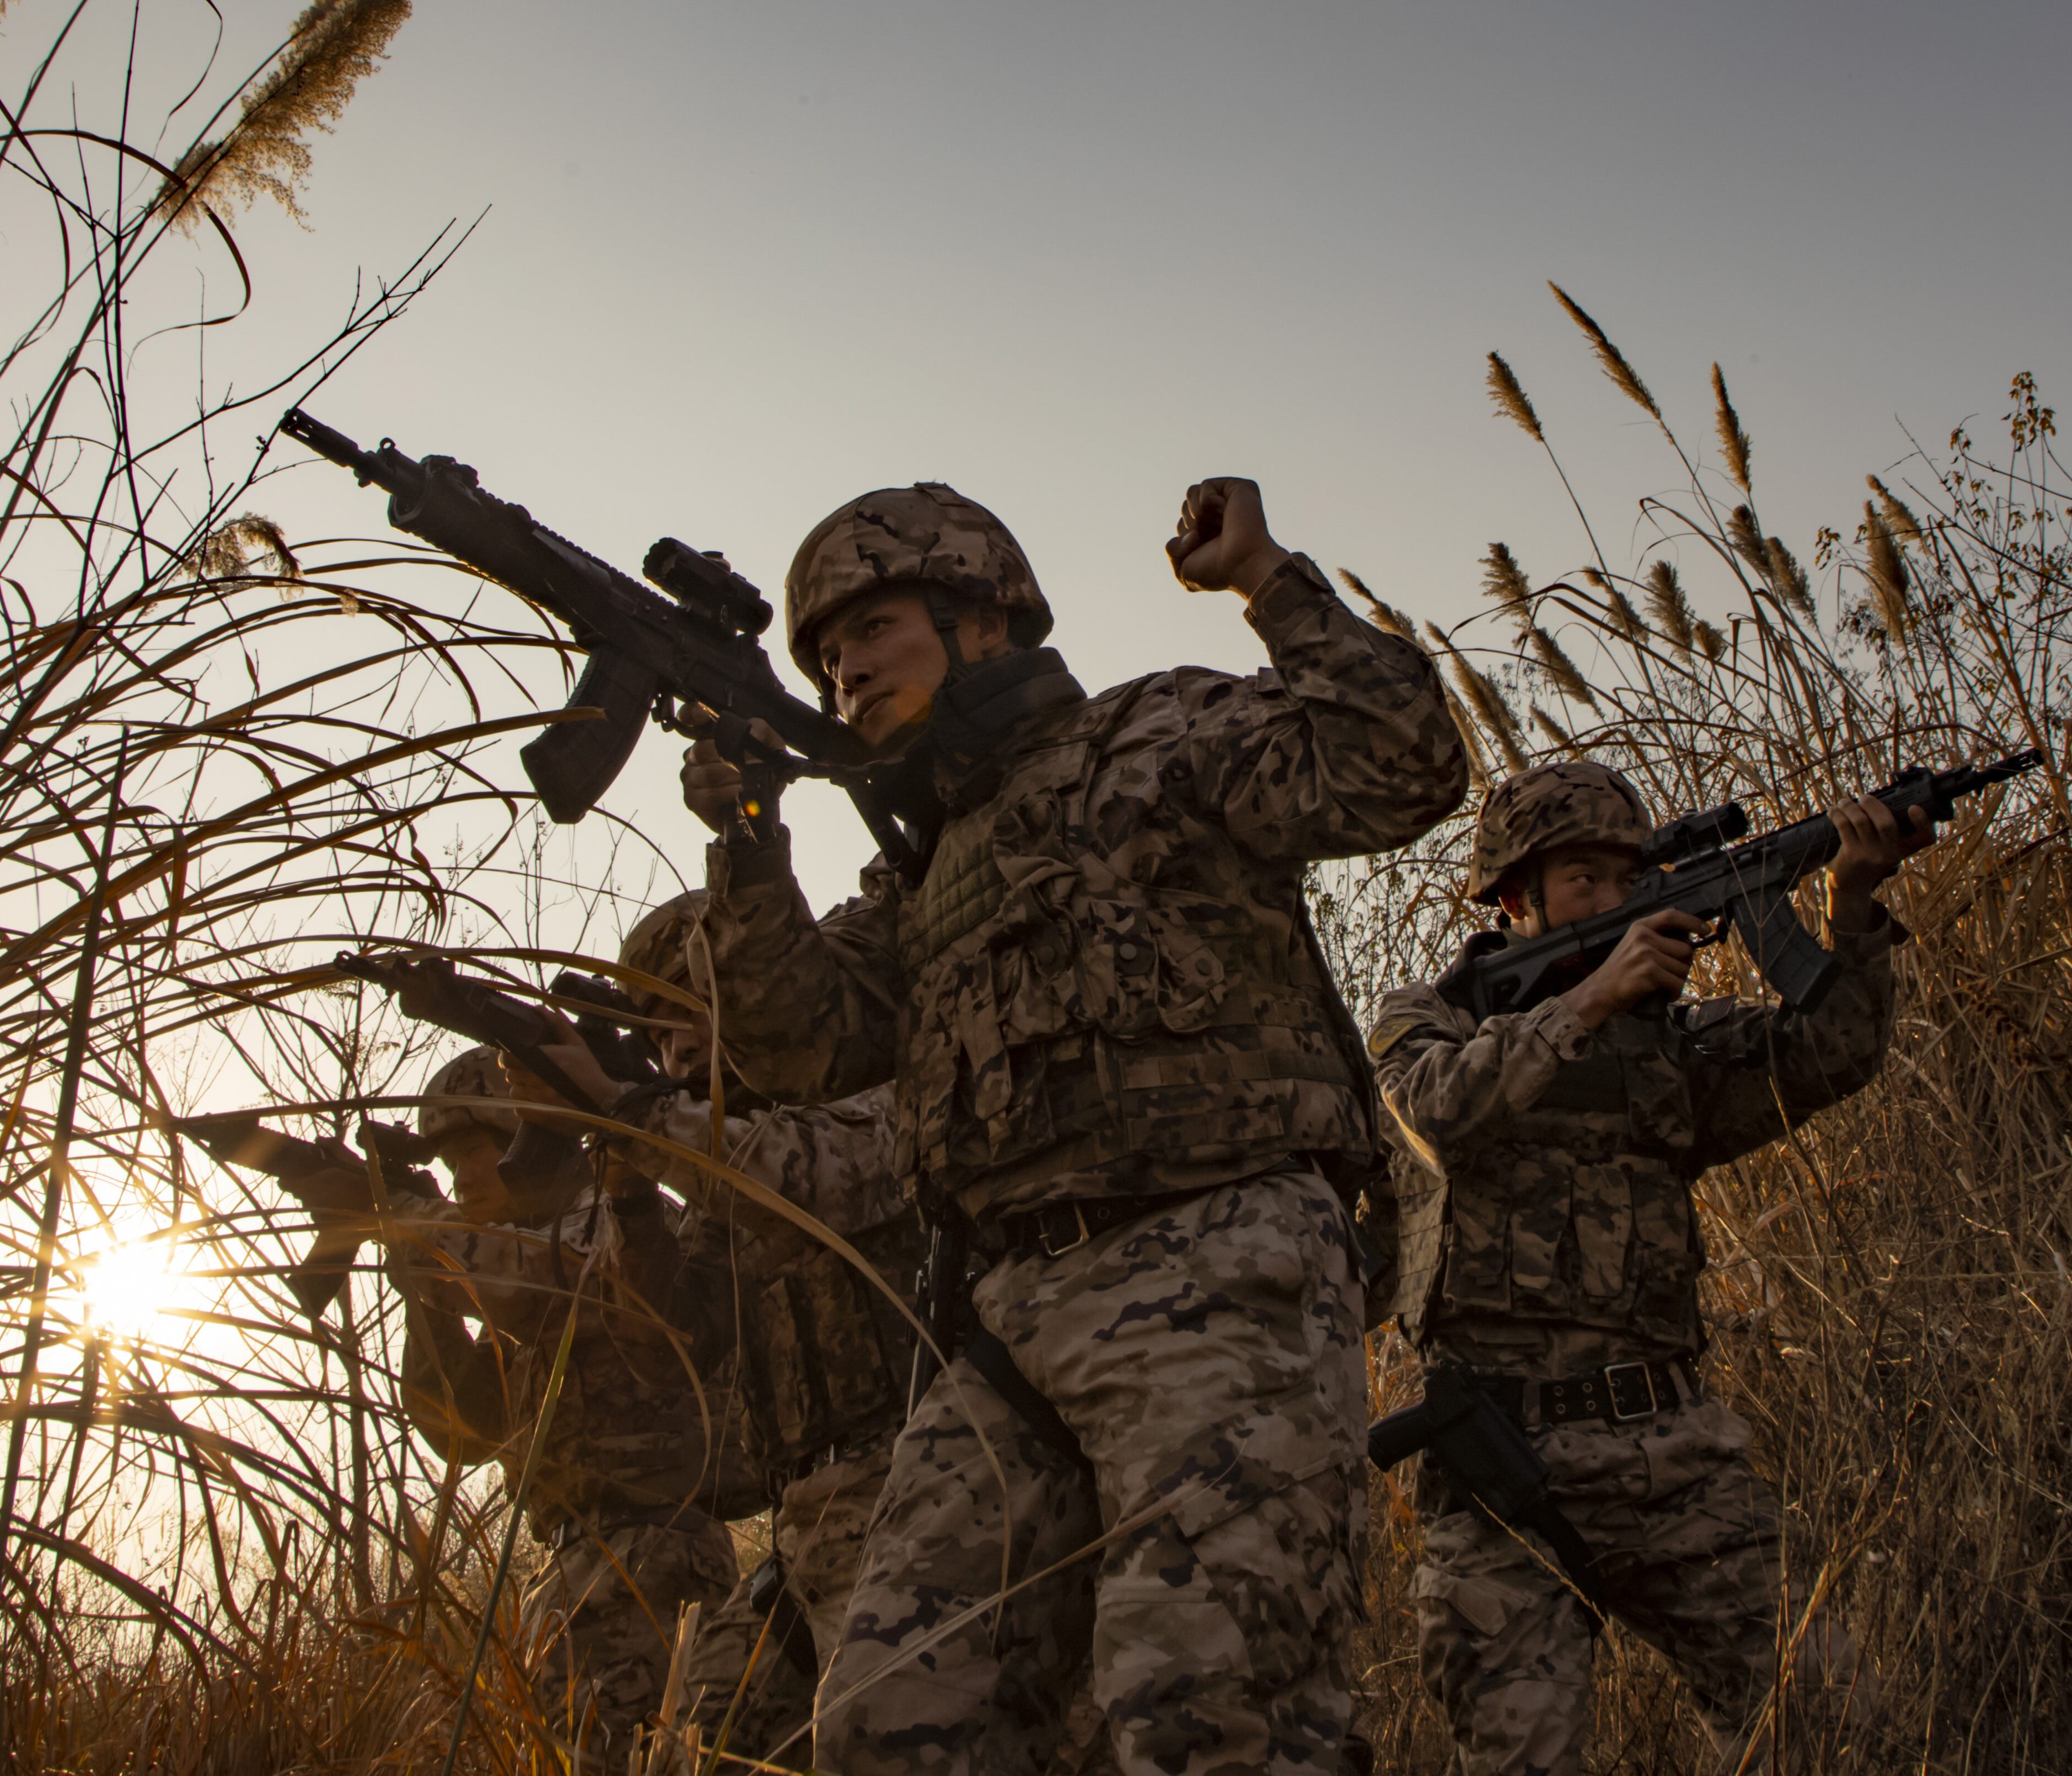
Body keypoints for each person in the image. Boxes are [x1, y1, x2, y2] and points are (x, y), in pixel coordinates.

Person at [674, 478, 1466, 1776]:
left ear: (981, 617)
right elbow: (799, 1041)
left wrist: (1265, 578)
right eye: (821, 656)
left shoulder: (1145, 735)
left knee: (1210, 1714)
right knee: (887, 1724)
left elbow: (1402, 765)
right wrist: (750, 840)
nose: (842, 672)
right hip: (1007, 1323)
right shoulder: (919, 872)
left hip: (1219, 1265)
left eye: (871, 629)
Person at [1367, 761, 1929, 1774]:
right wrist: (1587, 998)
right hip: (1500, 1463)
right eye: (1584, 878)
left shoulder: (1671, 1046)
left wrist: (1851, 903)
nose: (1617, 902)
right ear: (1513, 896)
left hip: (1671, 1452)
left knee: (1833, 1725)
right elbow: (1435, 1111)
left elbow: (1826, 1055)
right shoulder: (1429, 1018)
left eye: (1630, 877)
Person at [507, 892, 1117, 1776]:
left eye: (692, 1019)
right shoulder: (708, 1166)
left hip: (929, 1486)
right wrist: (630, 1182)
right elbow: (673, 1338)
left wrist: (633, 1112)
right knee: (689, 1746)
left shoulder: (873, 1097)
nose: (678, 1051)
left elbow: (800, 1180)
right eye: (658, 1036)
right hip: (805, 1525)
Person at [382, 1046, 758, 1758]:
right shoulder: (502, 1262)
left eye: (477, 1151)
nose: (462, 1177)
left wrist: (435, 1241)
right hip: (569, 1564)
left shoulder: (618, 1222)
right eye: (450, 1161)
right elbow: (469, 1430)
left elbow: (573, 1292)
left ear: (534, 1141)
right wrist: (425, 1295)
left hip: (653, 1553)